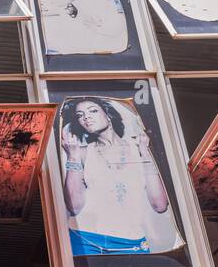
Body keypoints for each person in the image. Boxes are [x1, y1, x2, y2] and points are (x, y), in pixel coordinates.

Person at [59, 97, 179, 255]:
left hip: (132, 243)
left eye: (92, 111)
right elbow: (74, 206)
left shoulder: (139, 148)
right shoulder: (81, 153)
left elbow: (160, 205)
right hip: (87, 240)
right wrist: (72, 156)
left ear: (108, 115)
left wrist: (145, 153)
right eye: (80, 115)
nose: (85, 117)